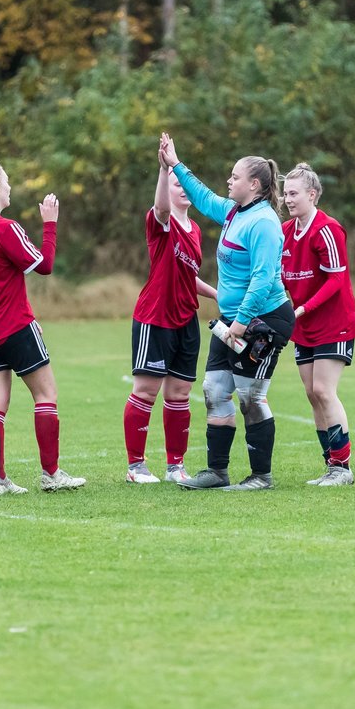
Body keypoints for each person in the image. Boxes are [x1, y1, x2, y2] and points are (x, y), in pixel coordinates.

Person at [158, 134, 294, 491]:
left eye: (235, 177)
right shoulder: (235, 211)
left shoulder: (263, 222)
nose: (229, 181)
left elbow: (263, 278)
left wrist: (241, 321)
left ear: (255, 184)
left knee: (251, 397)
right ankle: (217, 472)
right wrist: (176, 163)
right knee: (214, 389)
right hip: (233, 324)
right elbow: (202, 197)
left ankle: (261, 477)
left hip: (263, 321)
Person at [0, 162, 86, 496]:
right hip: (13, 327)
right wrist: (50, 225)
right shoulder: (5, 227)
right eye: (8, 180)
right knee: (46, 396)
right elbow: (43, 266)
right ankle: (51, 474)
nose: (11, 186)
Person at [123, 136, 219, 484]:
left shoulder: (194, 230)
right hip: (155, 318)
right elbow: (161, 207)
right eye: (175, 184)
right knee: (146, 390)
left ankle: (175, 466)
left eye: (183, 184)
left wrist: (218, 295)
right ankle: (136, 466)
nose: (181, 189)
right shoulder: (161, 223)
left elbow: (188, 277)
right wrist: (165, 169)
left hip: (186, 320)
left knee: (179, 394)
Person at [281, 162, 355, 486]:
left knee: (324, 390)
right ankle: (330, 465)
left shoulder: (326, 229)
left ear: (312, 194)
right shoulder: (285, 232)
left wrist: (302, 309)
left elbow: (336, 279)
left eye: (294, 193)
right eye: (285, 193)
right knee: (312, 395)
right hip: (303, 327)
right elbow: (279, 277)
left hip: (333, 323)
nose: (288, 199)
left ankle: (343, 468)